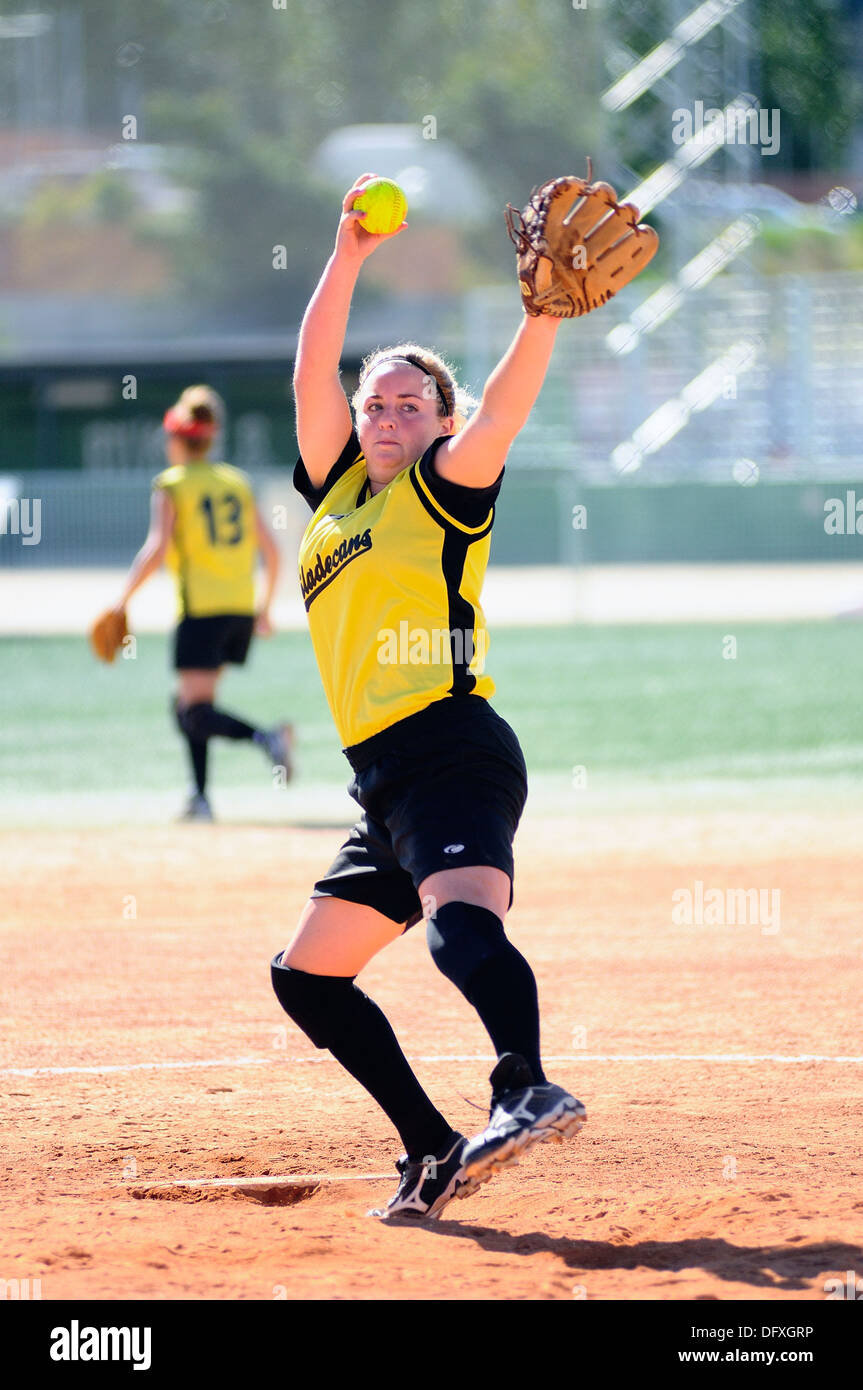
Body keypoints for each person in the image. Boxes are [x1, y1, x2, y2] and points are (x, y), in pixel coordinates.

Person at [270, 173, 586, 1221]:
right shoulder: (335, 495)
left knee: (458, 928)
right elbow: (313, 364)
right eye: (376, 401)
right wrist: (347, 256)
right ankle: (433, 1149)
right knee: (306, 977)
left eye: (412, 402)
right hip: (382, 782)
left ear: (437, 422)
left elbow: (501, 408)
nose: (388, 411)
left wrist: (539, 316)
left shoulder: (442, 487)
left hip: (453, 749)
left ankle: (524, 1087)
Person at [113, 384, 294, 821]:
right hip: (238, 609)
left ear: (177, 439)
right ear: (210, 438)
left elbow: (157, 549)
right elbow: (272, 552)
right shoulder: (234, 482)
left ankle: (266, 739)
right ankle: (200, 797)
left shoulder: (172, 484)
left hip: (201, 611)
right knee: (187, 708)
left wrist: (122, 602)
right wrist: (265, 608)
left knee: (193, 711)